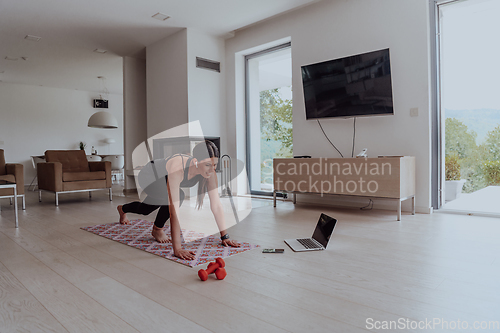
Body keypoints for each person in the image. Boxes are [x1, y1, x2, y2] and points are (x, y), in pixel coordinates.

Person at [117, 140, 240, 260]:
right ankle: (156, 229)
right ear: (196, 161)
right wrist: (178, 248)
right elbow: (173, 210)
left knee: (146, 208)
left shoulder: (210, 172)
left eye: (215, 165)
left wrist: (225, 236)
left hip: (163, 179)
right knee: (165, 201)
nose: (212, 169)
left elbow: (217, 205)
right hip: (149, 176)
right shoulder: (178, 166)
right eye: (208, 165)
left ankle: (123, 210)